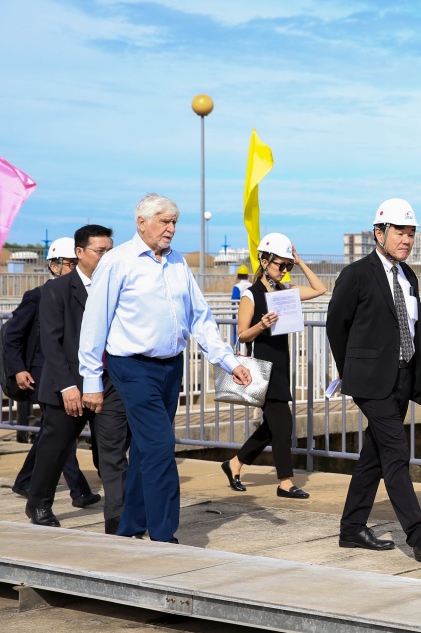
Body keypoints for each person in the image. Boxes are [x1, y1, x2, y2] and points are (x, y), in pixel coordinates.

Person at [78, 193, 251, 543]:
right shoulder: (118, 262)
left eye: (174, 221)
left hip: (171, 367)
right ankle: (163, 535)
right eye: (163, 221)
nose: (170, 228)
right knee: (160, 446)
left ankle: (129, 528)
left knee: (146, 450)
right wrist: (91, 381)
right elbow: (94, 323)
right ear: (141, 222)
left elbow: (200, 318)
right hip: (132, 366)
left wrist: (229, 362)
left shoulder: (177, 262)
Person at [326, 198, 421, 561]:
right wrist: (352, 369)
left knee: (375, 456)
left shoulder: (408, 275)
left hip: (403, 379)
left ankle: (351, 528)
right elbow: (336, 326)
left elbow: (412, 327)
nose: (407, 240)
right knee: (396, 452)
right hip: (371, 381)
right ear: (378, 232)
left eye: (411, 233)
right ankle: (418, 535)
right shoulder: (356, 274)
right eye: (399, 232)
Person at [25, 225, 131, 534]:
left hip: (108, 383)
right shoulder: (57, 290)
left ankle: (118, 515)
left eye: (110, 250)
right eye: (100, 251)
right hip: (68, 385)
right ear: (79, 252)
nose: (106, 256)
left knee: (112, 451)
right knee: (55, 448)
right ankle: (39, 503)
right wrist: (68, 386)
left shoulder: (118, 286)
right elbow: (51, 343)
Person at [221, 233, 327, 498]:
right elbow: (242, 335)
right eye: (281, 264)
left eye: (287, 265)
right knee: (283, 425)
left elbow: (319, 289)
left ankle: (234, 464)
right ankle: (285, 482)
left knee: (272, 426)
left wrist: (299, 262)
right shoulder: (251, 294)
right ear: (265, 261)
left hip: (280, 366)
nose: (284, 270)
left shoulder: (284, 292)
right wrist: (261, 325)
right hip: (261, 368)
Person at [4, 237, 100, 510]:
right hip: (42, 376)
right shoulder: (39, 295)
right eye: (69, 263)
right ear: (54, 265)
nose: (74, 268)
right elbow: (11, 336)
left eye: (76, 263)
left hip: (68, 374)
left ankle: (25, 481)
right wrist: (18, 369)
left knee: (51, 433)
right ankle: (79, 491)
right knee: (60, 434)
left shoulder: (88, 294)